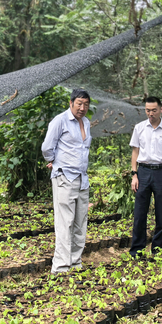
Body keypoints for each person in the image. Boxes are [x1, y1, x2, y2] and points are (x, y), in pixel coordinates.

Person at [41, 89, 92, 273]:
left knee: (80, 222)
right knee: (65, 222)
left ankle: (75, 262)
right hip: (64, 177)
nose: (82, 107)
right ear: (71, 103)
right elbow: (47, 147)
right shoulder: (60, 120)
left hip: (82, 179)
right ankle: (61, 266)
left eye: (85, 104)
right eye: (79, 103)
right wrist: (54, 162)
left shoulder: (86, 123)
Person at [129, 96, 162, 258]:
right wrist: (134, 174)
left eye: (153, 110)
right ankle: (137, 250)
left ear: (161, 110)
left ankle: (157, 250)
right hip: (143, 172)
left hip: (161, 173)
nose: (150, 113)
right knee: (139, 213)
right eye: (147, 110)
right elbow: (135, 152)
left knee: (161, 214)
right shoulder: (139, 128)